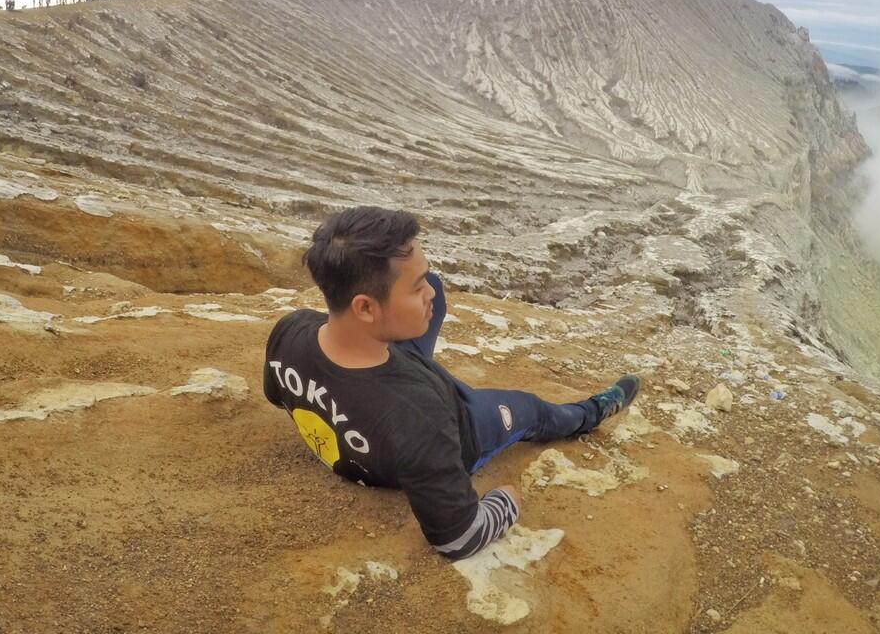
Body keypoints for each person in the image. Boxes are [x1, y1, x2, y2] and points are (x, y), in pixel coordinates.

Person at [263, 206, 640, 561]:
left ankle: (400, 340)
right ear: (365, 307)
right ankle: (593, 411)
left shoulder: (290, 330)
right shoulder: (417, 417)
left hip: (387, 377)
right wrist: (506, 502)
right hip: (463, 426)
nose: (426, 292)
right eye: (416, 287)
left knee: (439, 292)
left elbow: (278, 396)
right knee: (534, 410)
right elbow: (457, 538)